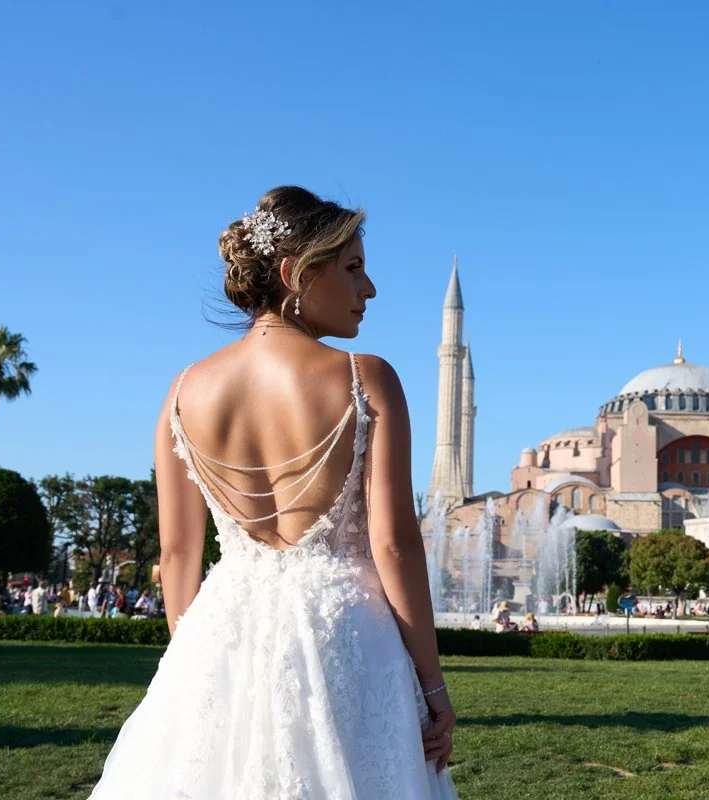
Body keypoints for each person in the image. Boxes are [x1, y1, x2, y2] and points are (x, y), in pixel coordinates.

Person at [90, 187, 457, 799]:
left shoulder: (183, 391)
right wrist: (433, 687)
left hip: (220, 632)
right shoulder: (366, 378)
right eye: (353, 268)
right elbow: (394, 546)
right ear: (293, 273)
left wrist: (198, 670)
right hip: (348, 640)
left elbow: (178, 556)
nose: (370, 289)